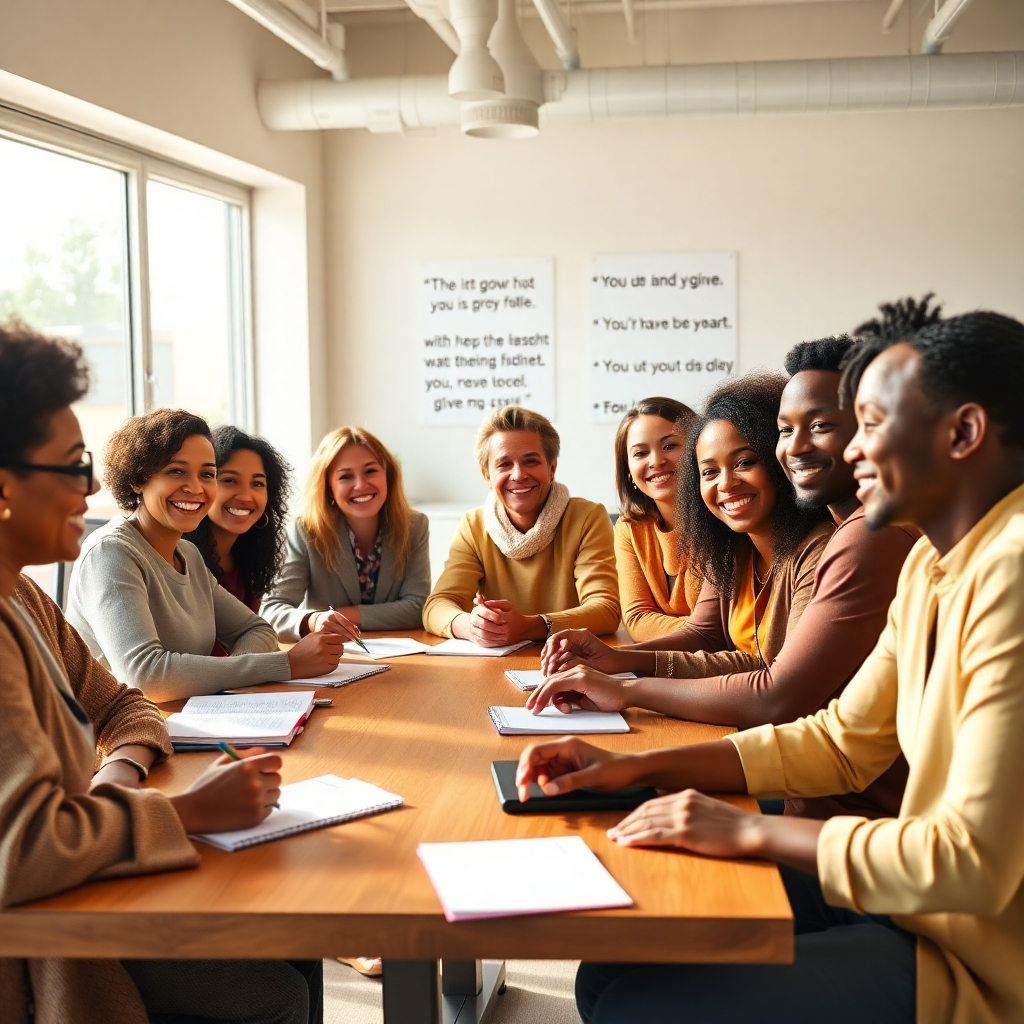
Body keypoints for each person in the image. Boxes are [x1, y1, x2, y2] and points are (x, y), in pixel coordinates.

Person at [516, 297, 1024, 1024]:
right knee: (609, 971)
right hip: (905, 894)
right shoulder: (930, 565)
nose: (851, 450)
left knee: (638, 1002)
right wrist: (630, 768)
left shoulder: (1009, 571)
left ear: (964, 433)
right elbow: (840, 741)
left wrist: (748, 828)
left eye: (871, 425)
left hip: (973, 955)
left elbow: (967, 864)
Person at [0, 322, 321, 1024]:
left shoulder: (22, 595)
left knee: (296, 939)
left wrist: (115, 777)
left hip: (88, 873)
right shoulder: (94, 563)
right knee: (280, 995)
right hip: (45, 942)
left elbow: (125, 705)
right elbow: (20, 854)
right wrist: (186, 812)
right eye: (71, 466)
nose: (89, 487)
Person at [531, 342, 918, 820]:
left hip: (848, 813)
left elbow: (778, 694)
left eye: (820, 426)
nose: (797, 447)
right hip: (808, 785)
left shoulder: (856, 539)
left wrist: (630, 690)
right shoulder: (745, 539)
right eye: (708, 471)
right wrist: (619, 666)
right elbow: (719, 642)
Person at [535, 374, 833, 693]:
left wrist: (627, 690)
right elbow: (705, 636)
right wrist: (614, 658)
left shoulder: (819, 548)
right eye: (709, 471)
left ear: (780, 460)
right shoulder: (730, 541)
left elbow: (777, 684)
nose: (726, 483)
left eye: (744, 462)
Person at [66, 409, 342, 702]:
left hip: (186, 715)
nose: (196, 488)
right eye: (176, 471)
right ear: (138, 479)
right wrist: (283, 665)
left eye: (208, 474)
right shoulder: (111, 552)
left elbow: (256, 629)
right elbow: (145, 676)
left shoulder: (188, 554)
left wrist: (232, 685)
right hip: (111, 726)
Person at [422, 405, 620, 646]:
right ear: (487, 475)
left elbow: (606, 610)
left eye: (531, 461)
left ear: (552, 468)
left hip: (570, 658)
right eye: (504, 464)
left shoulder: (587, 517)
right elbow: (437, 606)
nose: (518, 475)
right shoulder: (473, 525)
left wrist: (528, 627)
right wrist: (472, 627)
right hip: (496, 662)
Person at [261, 426, 430, 643]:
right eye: (345, 476)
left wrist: (345, 615)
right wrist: (314, 620)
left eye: (370, 471)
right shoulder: (306, 530)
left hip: (404, 655)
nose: (360, 485)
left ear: (388, 475)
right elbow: (272, 611)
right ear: (328, 487)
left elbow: (418, 607)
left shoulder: (414, 526)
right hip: (331, 654)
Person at [612, 397, 702, 641]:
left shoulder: (724, 517)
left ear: (700, 449)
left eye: (670, 446)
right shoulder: (630, 528)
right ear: (628, 470)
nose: (656, 461)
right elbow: (636, 619)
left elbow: (725, 626)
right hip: (667, 659)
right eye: (640, 453)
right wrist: (700, 630)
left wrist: (704, 631)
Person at [186, 424, 292, 614]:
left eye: (257, 483)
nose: (245, 496)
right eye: (230, 480)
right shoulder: (180, 559)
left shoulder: (252, 557)